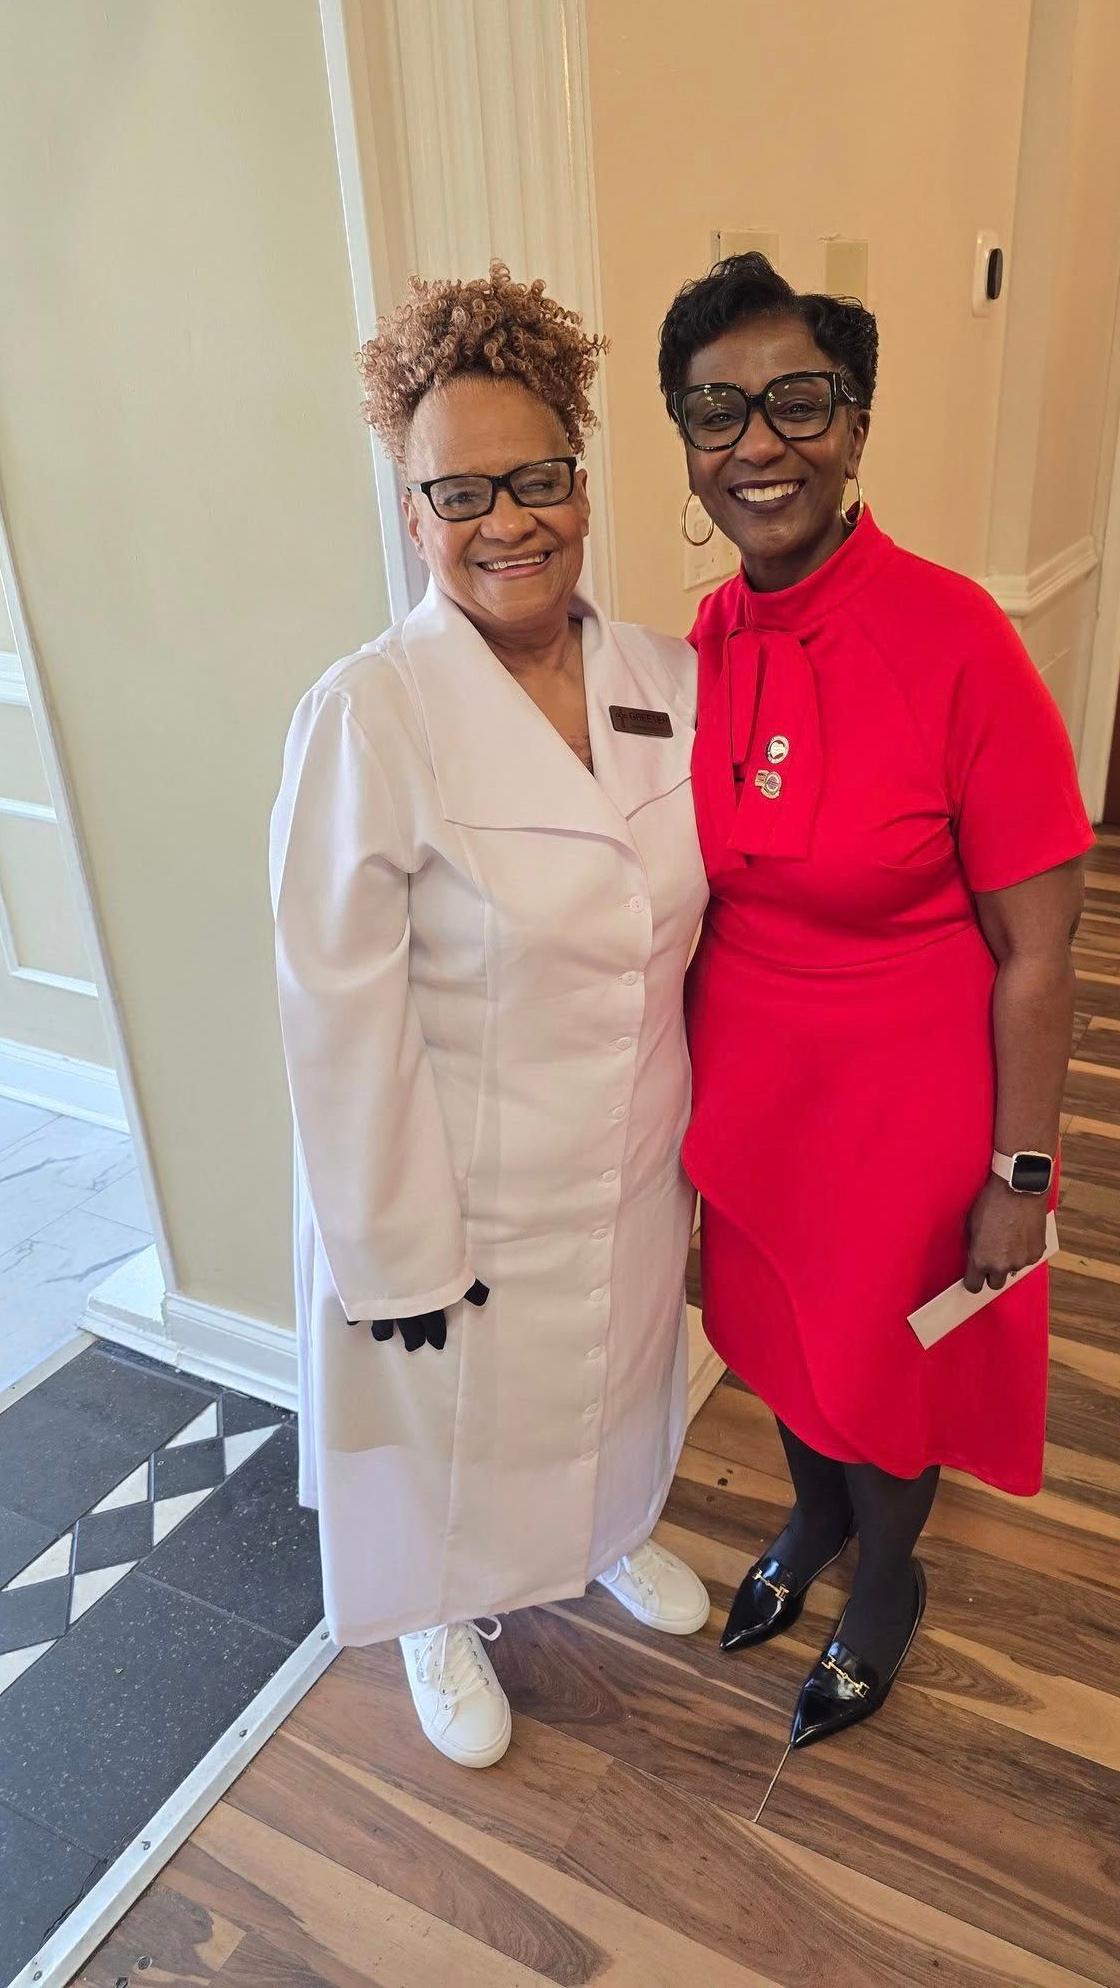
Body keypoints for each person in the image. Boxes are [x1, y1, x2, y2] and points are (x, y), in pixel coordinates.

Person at [270, 266, 709, 1771]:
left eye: (537, 479)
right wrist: (392, 1249)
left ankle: (601, 1539)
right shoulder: (369, 714)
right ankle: (438, 1619)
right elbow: (337, 1010)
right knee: (458, 1443)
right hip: (461, 1191)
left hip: (633, 1165)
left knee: (618, 1389)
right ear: (412, 512)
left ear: (583, 486)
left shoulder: (670, 680)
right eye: (461, 491)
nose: (505, 521)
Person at [660, 253, 1093, 1749]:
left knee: (886, 1375)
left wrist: (1019, 1177)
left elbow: (1042, 953)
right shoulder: (703, 644)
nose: (757, 445)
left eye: (797, 402)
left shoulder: (956, 636)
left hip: (908, 1107)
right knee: (778, 1343)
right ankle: (809, 1523)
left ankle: (888, 1580)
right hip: (754, 1093)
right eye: (718, 413)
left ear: (855, 422)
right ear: (687, 445)